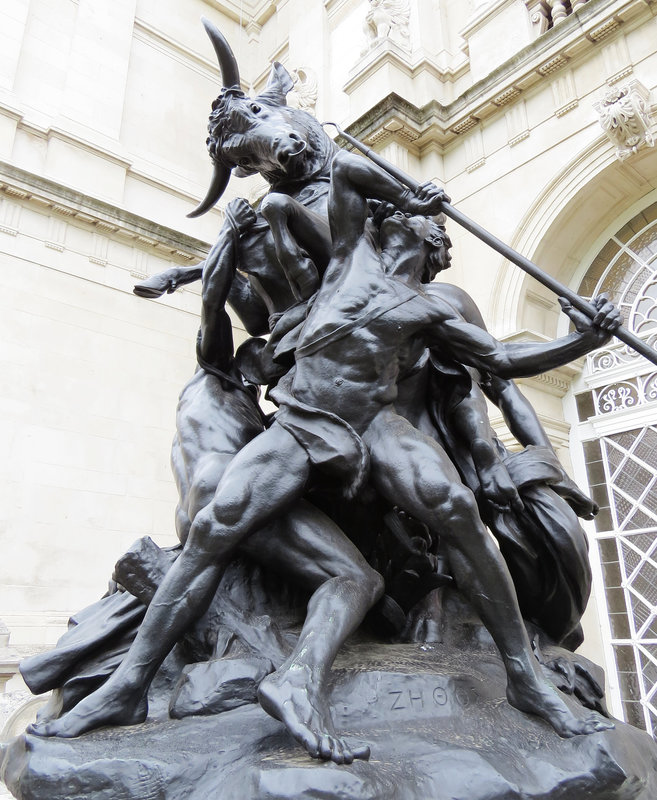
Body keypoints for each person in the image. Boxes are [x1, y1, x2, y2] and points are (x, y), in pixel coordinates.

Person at [32, 151, 618, 761]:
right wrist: (412, 189)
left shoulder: (437, 307)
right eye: (392, 217)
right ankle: (128, 685)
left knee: (458, 514)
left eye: (410, 224)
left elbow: (500, 361)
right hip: (304, 422)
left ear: (428, 244)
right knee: (212, 528)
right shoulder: (347, 256)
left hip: (378, 425)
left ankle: (523, 677)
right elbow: (344, 175)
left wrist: (584, 338)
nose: (396, 226)